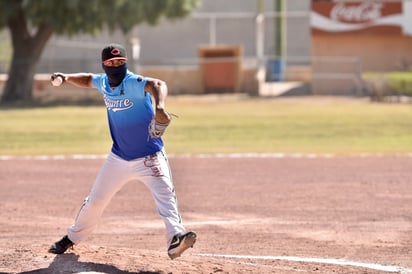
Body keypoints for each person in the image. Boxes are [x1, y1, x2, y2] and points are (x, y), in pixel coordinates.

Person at [48, 43, 196, 260]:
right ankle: (71, 238)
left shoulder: (133, 82)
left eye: (120, 62)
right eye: (111, 62)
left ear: (126, 63)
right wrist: (67, 77)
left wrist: (160, 106)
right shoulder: (103, 82)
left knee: (166, 200)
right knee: (96, 201)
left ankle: (176, 239)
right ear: (105, 65)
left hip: (150, 157)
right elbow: (88, 79)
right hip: (118, 158)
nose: (116, 65)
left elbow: (157, 83)